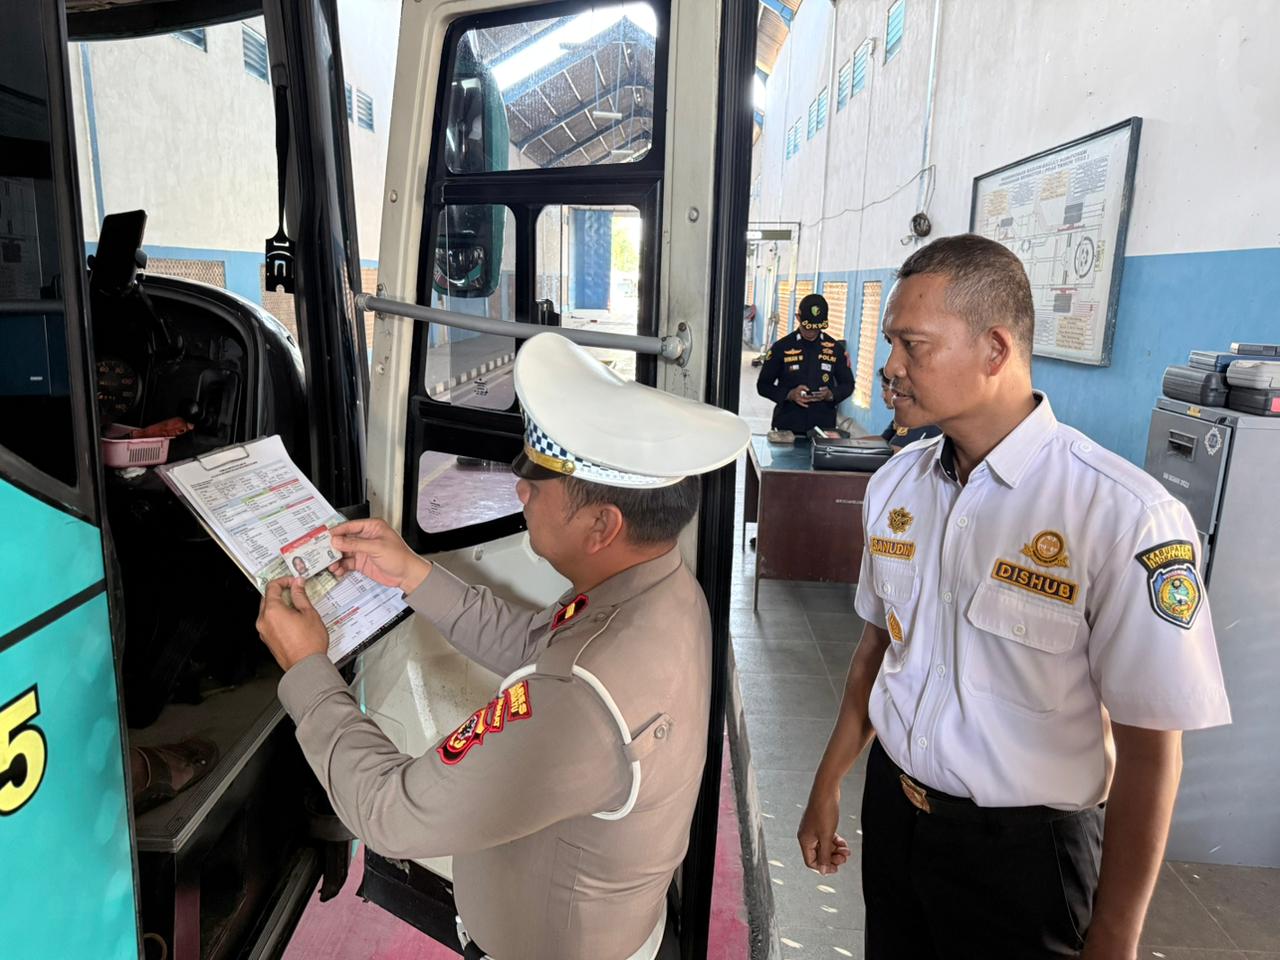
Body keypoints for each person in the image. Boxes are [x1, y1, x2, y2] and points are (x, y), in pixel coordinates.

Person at [796, 234, 1230, 959]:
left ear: (994, 349)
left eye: (912, 345)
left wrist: (1115, 936)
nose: (889, 368)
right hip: (898, 821)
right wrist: (829, 778)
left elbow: (1155, 750)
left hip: (1023, 858)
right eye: (889, 343)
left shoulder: (1122, 515)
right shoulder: (895, 485)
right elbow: (878, 647)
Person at [255, 332, 750, 960]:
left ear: (603, 524)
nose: (520, 492)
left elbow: (389, 815)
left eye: (540, 483)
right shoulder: (658, 589)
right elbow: (533, 640)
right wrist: (412, 573)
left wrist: (308, 668)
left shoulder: (581, 698)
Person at [756, 293, 854, 434]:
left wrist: (831, 394)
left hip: (823, 428)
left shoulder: (835, 349)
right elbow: (763, 386)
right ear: (798, 318)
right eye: (807, 327)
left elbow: (848, 384)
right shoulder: (781, 348)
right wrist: (789, 394)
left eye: (815, 328)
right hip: (787, 426)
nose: (811, 332)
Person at [875, 366, 940, 451]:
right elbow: (884, 440)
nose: (882, 395)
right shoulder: (903, 415)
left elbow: (895, 454)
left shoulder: (917, 418)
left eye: (885, 389)